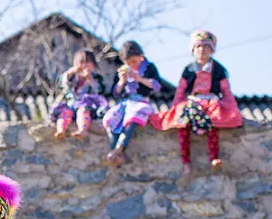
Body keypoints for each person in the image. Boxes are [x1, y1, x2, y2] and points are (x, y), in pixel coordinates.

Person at [150, 30, 242, 179]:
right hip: (192, 103)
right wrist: (175, 108)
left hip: (211, 102)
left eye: (206, 46)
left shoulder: (218, 70)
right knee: (182, 123)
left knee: (213, 121)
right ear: (193, 49)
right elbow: (180, 91)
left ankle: (214, 157)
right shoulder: (189, 70)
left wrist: (232, 108)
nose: (202, 50)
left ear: (212, 49)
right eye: (198, 46)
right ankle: (186, 162)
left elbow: (226, 91)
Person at [102, 41, 163, 165]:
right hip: (126, 103)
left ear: (140, 56)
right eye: (128, 63)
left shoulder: (149, 67)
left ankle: (119, 148)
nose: (132, 65)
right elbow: (116, 93)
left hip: (142, 102)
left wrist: (139, 78)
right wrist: (122, 81)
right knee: (110, 118)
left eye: (134, 62)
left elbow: (156, 86)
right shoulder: (123, 71)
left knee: (132, 117)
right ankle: (117, 151)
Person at [50, 49, 108, 139]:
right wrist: (69, 73)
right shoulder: (72, 76)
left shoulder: (97, 77)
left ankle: (82, 130)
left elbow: (99, 91)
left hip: (87, 105)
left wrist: (90, 80)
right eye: (81, 62)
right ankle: (61, 130)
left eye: (88, 62)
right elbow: (62, 85)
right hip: (71, 104)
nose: (84, 65)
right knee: (65, 112)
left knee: (83, 111)